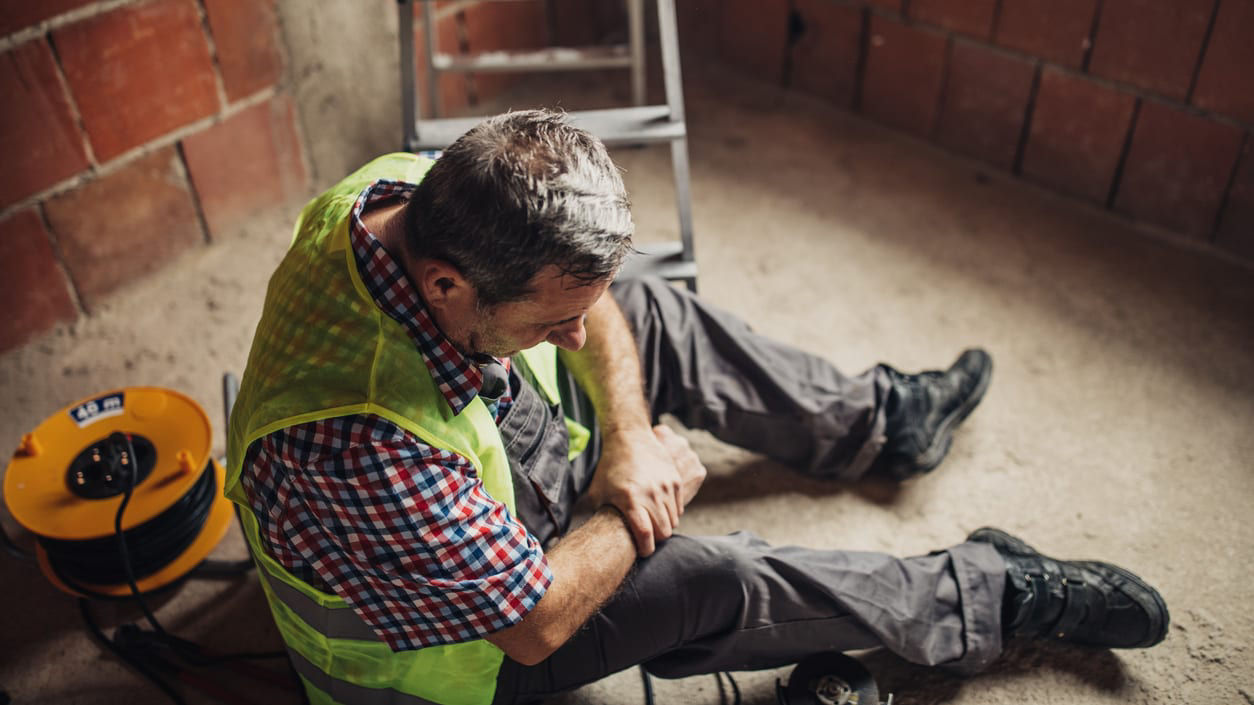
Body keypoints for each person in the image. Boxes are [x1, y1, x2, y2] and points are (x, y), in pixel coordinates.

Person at [225, 110, 1168, 705]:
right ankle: (991, 591)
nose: (574, 336)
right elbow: (535, 620)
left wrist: (629, 438)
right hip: (457, 658)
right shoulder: (354, 446)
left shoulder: (411, 190)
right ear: (444, 286)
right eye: (550, 318)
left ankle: (879, 423)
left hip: (476, 468)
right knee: (711, 574)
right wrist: (634, 499)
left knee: (650, 314)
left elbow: (598, 314)